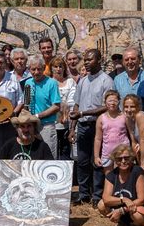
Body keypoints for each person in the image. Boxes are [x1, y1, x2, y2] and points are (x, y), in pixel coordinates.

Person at [70, 49, 113, 205]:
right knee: (82, 161)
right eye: (85, 60)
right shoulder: (82, 80)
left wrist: (82, 113)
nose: (86, 63)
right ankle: (83, 194)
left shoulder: (106, 81)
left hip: (98, 125)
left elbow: (106, 107)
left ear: (99, 60)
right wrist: (72, 128)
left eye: (90, 60)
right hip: (82, 125)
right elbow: (76, 104)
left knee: (97, 162)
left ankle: (97, 195)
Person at [98, 144, 144, 226]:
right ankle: (123, 225)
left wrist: (121, 210)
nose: (123, 161)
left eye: (126, 158)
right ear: (115, 160)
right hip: (125, 206)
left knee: (137, 214)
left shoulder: (137, 172)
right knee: (101, 205)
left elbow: (142, 199)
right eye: (119, 159)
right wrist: (124, 200)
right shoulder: (111, 175)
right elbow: (106, 198)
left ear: (131, 158)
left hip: (141, 207)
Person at [22, 54, 61, 157]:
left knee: (49, 155)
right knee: (33, 154)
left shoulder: (51, 83)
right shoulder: (28, 83)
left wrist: (38, 116)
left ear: (44, 68)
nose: (36, 72)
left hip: (46, 125)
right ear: (29, 70)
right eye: (33, 69)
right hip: (31, 126)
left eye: (39, 69)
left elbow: (56, 106)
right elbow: (26, 104)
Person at [93, 90, 128, 192]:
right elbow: (98, 138)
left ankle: (123, 195)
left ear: (119, 102)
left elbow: (131, 133)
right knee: (109, 177)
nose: (112, 103)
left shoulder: (124, 116)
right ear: (105, 102)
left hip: (122, 152)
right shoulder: (101, 118)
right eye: (110, 101)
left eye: (115, 101)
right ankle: (110, 197)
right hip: (107, 152)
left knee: (122, 176)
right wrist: (96, 156)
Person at [51, 56, 74, 160]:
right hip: (52, 121)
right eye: (55, 66)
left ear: (64, 68)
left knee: (65, 149)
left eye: (60, 66)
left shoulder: (70, 82)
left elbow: (72, 100)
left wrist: (65, 111)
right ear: (52, 68)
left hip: (67, 121)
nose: (58, 69)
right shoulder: (48, 82)